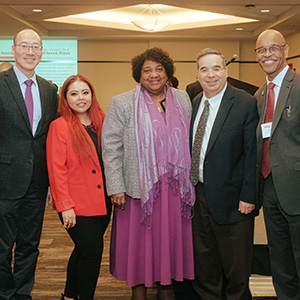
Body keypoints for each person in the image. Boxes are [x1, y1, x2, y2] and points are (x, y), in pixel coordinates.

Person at [102, 47, 195, 300]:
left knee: (168, 243)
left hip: (174, 190)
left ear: (168, 72)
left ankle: (166, 287)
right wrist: (116, 186)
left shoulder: (183, 99)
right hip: (136, 190)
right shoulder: (122, 103)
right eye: (147, 70)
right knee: (140, 245)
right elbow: (111, 147)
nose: (153, 75)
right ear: (138, 75)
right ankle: (139, 290)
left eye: (159, 69)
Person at [190, 48, 259, 300]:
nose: (211, 75)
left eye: (216, 68)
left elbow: (253, 154)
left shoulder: (245, 103)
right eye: (205, 69)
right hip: (198, 198)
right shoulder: (195, 102)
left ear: (226, 71)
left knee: (236, 272)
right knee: (205, 268)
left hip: (234, 202)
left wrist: (249, 196)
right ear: (197, 74)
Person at [0, 29, 58, 300]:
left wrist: (50, 182)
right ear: (13, 50)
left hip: (36, 183)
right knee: (2, 246)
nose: (30, 52)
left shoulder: (49, 89)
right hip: (4, 181)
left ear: (42, 52)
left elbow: (47, 139)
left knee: (29, 245)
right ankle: (5, 293)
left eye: (35, 47)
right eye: (24, 46)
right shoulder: (1, 83)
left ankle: (22, 294)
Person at [46, 74, 112, 300]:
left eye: (85, 92)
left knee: (83, 251)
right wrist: (65, 206)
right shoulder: (59, 126)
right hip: (76, 205)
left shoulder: (104, 120)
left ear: (92, 95)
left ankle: (69, 296)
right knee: (92, 254)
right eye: (74, 94)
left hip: (103, 202)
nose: (80, 98)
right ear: (65, 99)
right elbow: (57, 170)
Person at [255, 29, 300, 300]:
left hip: (296, 185)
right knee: (280, 259)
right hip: (269, 186)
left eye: (273, 48)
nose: (267, 54)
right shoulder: (260, 94)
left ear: (284, 51)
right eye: (261, 50)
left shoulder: (298, 86)